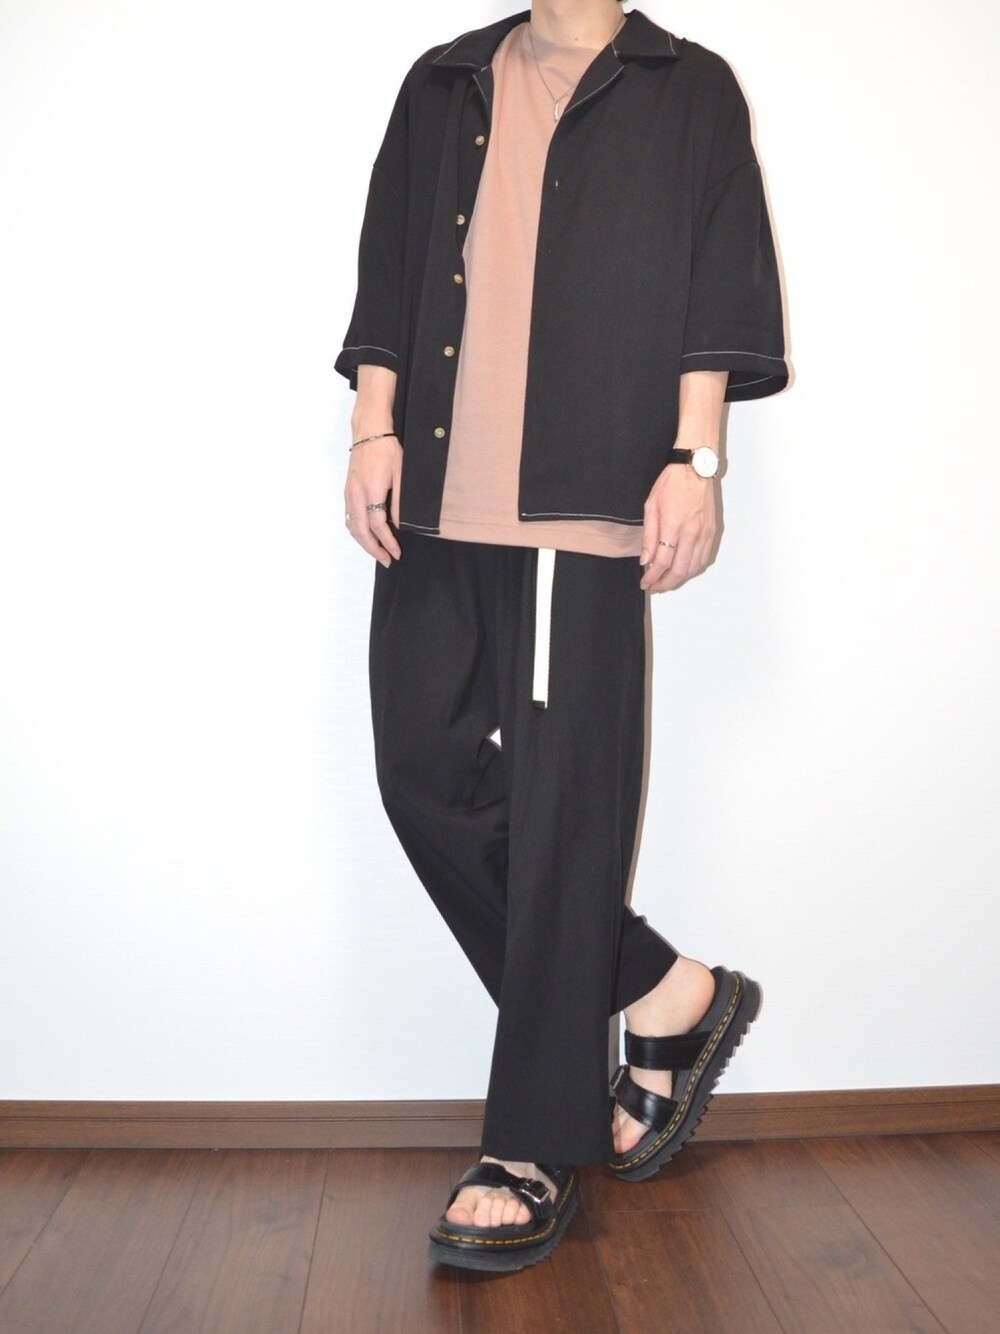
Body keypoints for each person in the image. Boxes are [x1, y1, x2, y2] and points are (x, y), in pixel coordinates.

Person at [336, 0, 788, 1273]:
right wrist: (372, 425)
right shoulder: (444, 79)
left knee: (558, 823)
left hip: (579, 500)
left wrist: (696, 459)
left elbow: (719, 274)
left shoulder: (684, 85)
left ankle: (530, 1144)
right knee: (419, 769)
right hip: (434, 489)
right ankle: (661, 986)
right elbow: (388, 260)